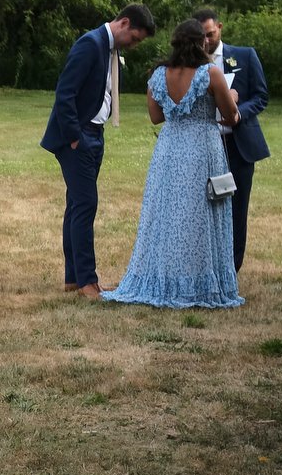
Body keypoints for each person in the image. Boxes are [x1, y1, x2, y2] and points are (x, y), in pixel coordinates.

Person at [104, 19, 244, 309]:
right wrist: (232, 96)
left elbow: (156, 117)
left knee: (169, 216)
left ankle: (166, 277)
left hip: (169, 149)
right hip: (203, 149)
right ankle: (200, 281)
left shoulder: (159, 75)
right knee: (201, 214)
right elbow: (231, 117)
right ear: (202, 43)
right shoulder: (211, 74)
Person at [40, 5, 158, 299]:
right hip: (78, 138)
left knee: (76, 205)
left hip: (95, 134)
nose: (134, 44)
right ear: (125, 23)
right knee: (86, 204)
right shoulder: (90, 44)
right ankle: (87, 283)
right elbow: (65, 91)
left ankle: (73, 278)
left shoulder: (109, 50)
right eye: (135, 38)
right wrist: (74, 137)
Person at [192, 9, 270, 273]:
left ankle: (232, 269)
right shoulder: (191, 63)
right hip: (203, 145)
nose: (206, 41)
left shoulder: (245, 56)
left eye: (210, 34)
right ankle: (205, 265)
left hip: (237, 146)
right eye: (201, 36)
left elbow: (261, 96)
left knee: (237, 210)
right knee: (203, 208)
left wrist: (238, 113)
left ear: (220, 28)